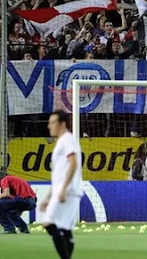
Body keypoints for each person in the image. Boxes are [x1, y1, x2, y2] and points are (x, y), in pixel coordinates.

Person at [40, 110, 83, 259]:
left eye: (52, 122)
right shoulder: (62, 141)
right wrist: (48, 197)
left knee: (48, 222)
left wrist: (64, 189)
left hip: (67, 190)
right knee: (64, 229)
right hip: (64, 189)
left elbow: (73, 163)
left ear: (62, 123)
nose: (49, 126)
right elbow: (59, 174)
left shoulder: (67, 139)